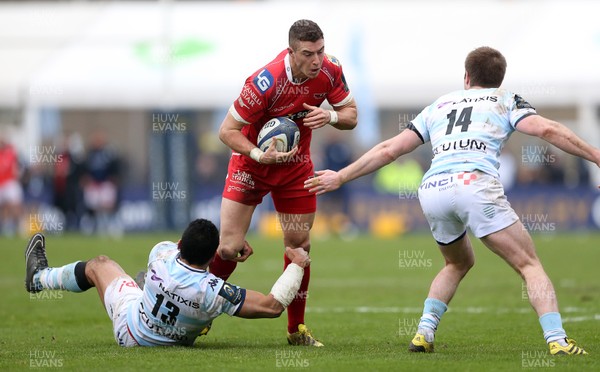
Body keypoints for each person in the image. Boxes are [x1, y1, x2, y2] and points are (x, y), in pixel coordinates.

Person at [305, 46, 595, 355]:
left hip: (433, 187)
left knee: (457, 262)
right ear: (499, 79)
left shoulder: (440, 104)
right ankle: (557, 341)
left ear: (467, 76)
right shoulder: (505, 99)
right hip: (474, 184)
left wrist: (341, 176)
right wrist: (596, 156)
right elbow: (546, 129)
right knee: (528, 263)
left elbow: (390, 149)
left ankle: (423, 333)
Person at [210, 19, 357, 346]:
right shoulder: (265, 81)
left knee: (299, 246)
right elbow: (226, 131)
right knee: (228, 247)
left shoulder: (330, 70)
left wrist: (330, 116)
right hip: (251, 165)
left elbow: (351, 115)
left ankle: (296, 329)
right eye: (307, 53)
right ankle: (204, 313)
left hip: (295, 168)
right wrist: (259, 155)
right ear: (291, 51)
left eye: (320, 51)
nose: (316, 60)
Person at [25, 218, 311, 347]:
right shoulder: (215, 292)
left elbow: (177, 247)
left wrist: (224, 250)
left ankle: (39, 278)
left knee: (99, 265)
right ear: (213, 255)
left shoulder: (161, 255)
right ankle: (181, 311)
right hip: (179, 333)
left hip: (131, 327)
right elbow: (273, 307)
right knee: (204, 309)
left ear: (182, 244)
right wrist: (296, 265)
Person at [0, 135, 23, 236]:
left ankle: (19, 225)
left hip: (10, 183)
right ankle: (6, 227)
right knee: (4, 207)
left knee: (14, 205)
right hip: (1, 184)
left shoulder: (10, 152)